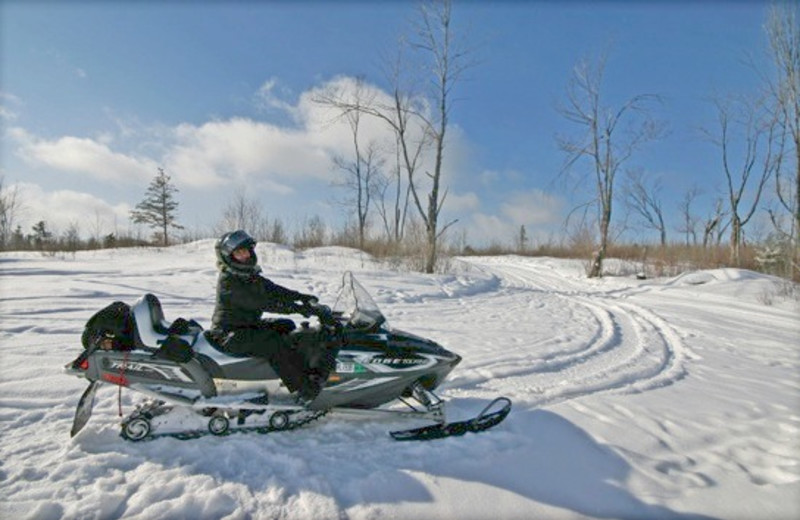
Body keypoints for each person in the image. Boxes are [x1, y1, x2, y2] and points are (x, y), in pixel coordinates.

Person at [210, 230, 325, 402]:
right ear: (229, 257)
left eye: (246, 250)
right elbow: (262, 302)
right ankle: (303, 388)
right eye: (239, 252)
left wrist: (301, 298)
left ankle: (285, 372)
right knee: (273, 342)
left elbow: (274, 290)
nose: (245, 255)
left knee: (285, 326)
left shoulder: (248, 276)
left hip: (245, 326)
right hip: (228, 334)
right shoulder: (229, 281)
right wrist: (299, 309)